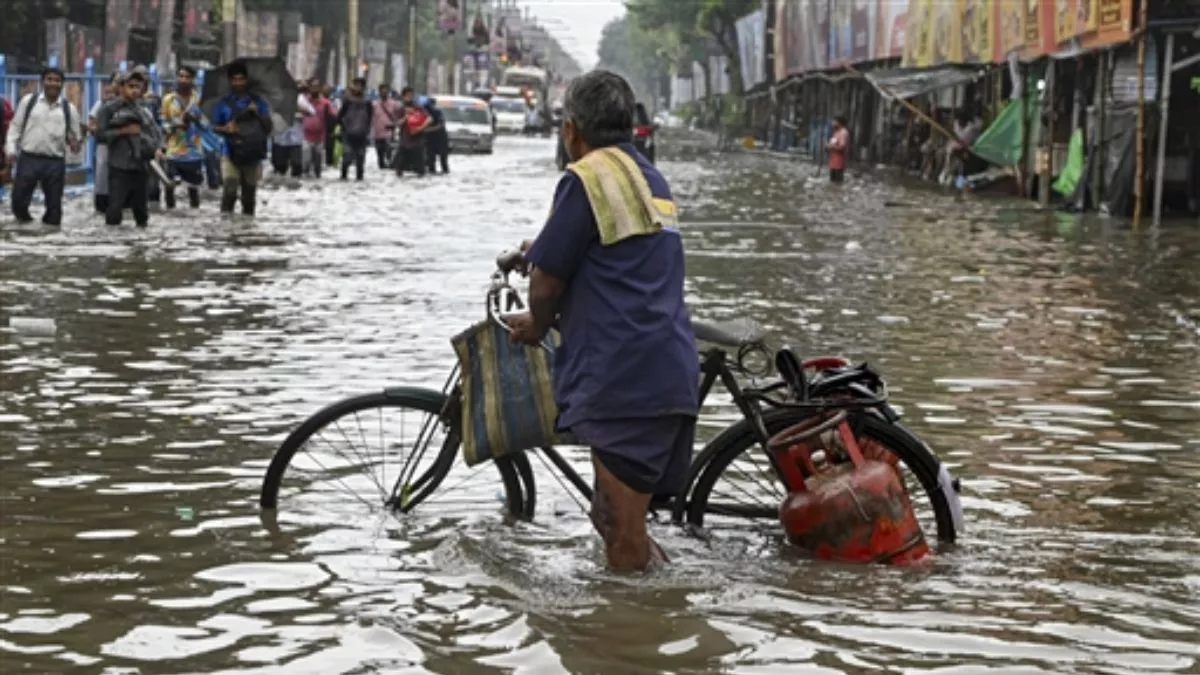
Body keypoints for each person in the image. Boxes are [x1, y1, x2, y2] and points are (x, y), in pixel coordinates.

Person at [508, 70, 697, 573]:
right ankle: (663, 602)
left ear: (571, 129)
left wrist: (538, 323)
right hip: (663, 364)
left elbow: (546, 285)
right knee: (612, 519)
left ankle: (633, 644)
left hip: (626, 375)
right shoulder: (646, 177)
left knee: (619, 526)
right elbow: (617, 250)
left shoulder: (586, 178)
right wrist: (541, 251)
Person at [6, 67, 83, 227]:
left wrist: (76, 144)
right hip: (29, 158)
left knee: (54, 210)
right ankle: (28, 230)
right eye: (50, 79)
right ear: (43, 82)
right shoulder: (28, 102)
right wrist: (11, 149)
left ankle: (49, 238)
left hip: (55, 162)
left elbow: (75, 138)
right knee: (18, 203)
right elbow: (15, 128)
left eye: (57, 80)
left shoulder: (69, 110)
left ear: (62, 84)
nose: (53, 84)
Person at [102, 70, 164, 227]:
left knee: (141, 212)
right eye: (131, 86)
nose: (135, 90)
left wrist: (159, 149)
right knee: (115, 210)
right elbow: (100, 135)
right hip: (119, 166)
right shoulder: (109, 109)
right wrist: (123, 131)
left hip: (141, 166)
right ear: (121, 87)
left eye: (138, 86)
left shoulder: (145, 111)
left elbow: (156, 133)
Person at [211, 60, 271, 216]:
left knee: (249, 196)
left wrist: (257, 112)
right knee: (230, 186)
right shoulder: (223, 103)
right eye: (234, 79)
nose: (238, 83)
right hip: (230, 151)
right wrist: (226, 128)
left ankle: (246, 227)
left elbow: (268, 127)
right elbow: (213, 127)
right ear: (230, 81)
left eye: (241, 79)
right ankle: (226, 222)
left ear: (246, 80)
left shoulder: (258, 101)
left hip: (253, 154)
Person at [160, 65, 207, 209]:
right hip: (173, 150)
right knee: (169, 186)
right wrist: (175, 126)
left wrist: (195, 119)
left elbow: (206, 125)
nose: (183, 80)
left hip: (194, 151)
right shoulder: (168, 99)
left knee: (193, 189)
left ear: (193, 80)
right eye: (181, 76)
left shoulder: (199, 100)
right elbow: (163, 122)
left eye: (187, 77)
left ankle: (194, 216)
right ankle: (171, 214)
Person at [89, 72, 120, 213]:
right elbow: (91, 124)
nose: (119, 85)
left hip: (126, 149)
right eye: (116, 82)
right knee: (103, 178)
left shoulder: (134, 105)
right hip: (105, 146)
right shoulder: (102, 104)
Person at [336, 77, 373, 181]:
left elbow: (370, 118)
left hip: (362, 135)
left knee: (360, 160)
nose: (357, 88)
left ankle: (359, 178)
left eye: (360, 86)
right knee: (347, 158)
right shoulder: (347, 101)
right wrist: (344, 127)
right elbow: (339, 116)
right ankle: (343, 176)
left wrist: (367, 130)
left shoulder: (367, 103)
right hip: (348, 134)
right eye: (355, 85)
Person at [271, 92, 310, 179]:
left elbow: (311, 111)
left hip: (295, 140)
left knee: (296, 165)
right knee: (279, 167)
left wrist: (299, 109)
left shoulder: (300, 98)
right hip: (279, 139)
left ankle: (296, 186)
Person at [301, 79, 333, 178]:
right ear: (309, 88)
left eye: (317, 86)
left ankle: (317, 175)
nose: (315, 88)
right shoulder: (303, 101)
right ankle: (305, 175)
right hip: (306, 135)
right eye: (313, 86)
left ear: (320, 88)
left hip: (320, 136)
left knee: (318, 161)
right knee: (306, 160)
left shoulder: (325, 103)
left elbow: (332, 115)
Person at [395, 86, 429, 177]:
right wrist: (406, 117)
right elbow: (397, 123)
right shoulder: (400, 108)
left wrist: (420, 128)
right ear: (403, 96)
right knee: (400, 165)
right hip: (404, 140)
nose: (410, 97)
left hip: (417, 140)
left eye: (411, 95)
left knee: (420, 166)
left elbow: (428, 119)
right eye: (407, 95)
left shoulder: (418, 108)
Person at [372, 84, 402, 170]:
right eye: (382, 90)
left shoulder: (394, 104)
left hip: (389, 132)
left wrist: (396, 123)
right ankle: (382, 166)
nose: (384, 92)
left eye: (386, 90)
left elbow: (400, 115)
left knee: (389, 152)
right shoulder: (374, 104)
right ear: (379, 92)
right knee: (380, 156)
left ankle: (389, 164)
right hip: (377, 134)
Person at [423, 96, 449, 175]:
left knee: (443, 161)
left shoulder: (437, 112)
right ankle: (433, 171)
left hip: (440, 138)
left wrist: (426, 130)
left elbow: (441, 125)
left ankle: (443, 172)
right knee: (431, 161)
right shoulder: (424, 113)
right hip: (430, 139)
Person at [826, 114, 850, 183]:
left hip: (839, 163)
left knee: (838, 183)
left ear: (839, 122)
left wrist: (831, 146)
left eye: (834, 121)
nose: (833, 123)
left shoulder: (843, 132)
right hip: (833, 162)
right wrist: (828, 146)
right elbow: (833, 143)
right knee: (832, 183)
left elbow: (842, 147)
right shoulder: (836, 132)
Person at [323, 84, 338, 168]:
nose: (327, 92)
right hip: (322, 124)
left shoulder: (334, 101)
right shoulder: (320, 100)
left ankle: (329, 161)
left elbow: (336, 113)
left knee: (330, 145)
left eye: (328, 90)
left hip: (331, 125)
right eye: (326, 90)